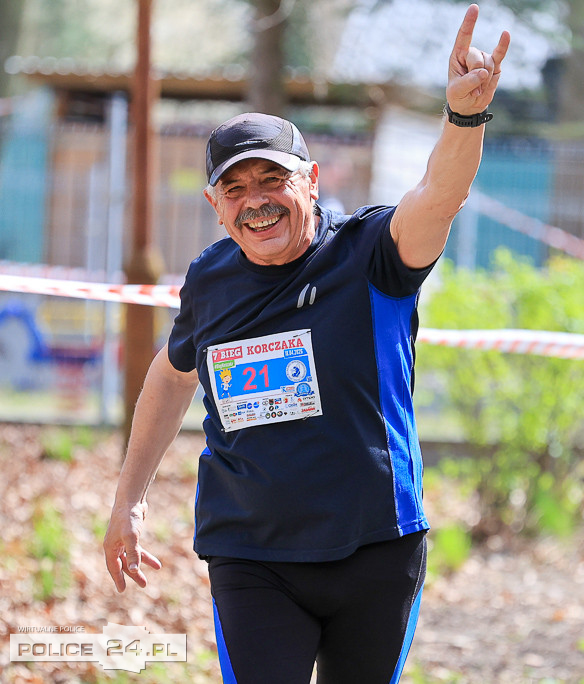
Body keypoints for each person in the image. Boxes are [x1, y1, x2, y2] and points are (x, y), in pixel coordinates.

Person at [102, 6, 509, 683]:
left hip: (376, 547)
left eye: (272, 181)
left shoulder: (372, 253)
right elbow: (174, 376)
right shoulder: (210, 278)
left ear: (312, 181)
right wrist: (130, 500)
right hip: (251, 554)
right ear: (215, 205)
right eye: (235, 190)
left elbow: (440, 197)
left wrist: (463, 119)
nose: (255, 202)